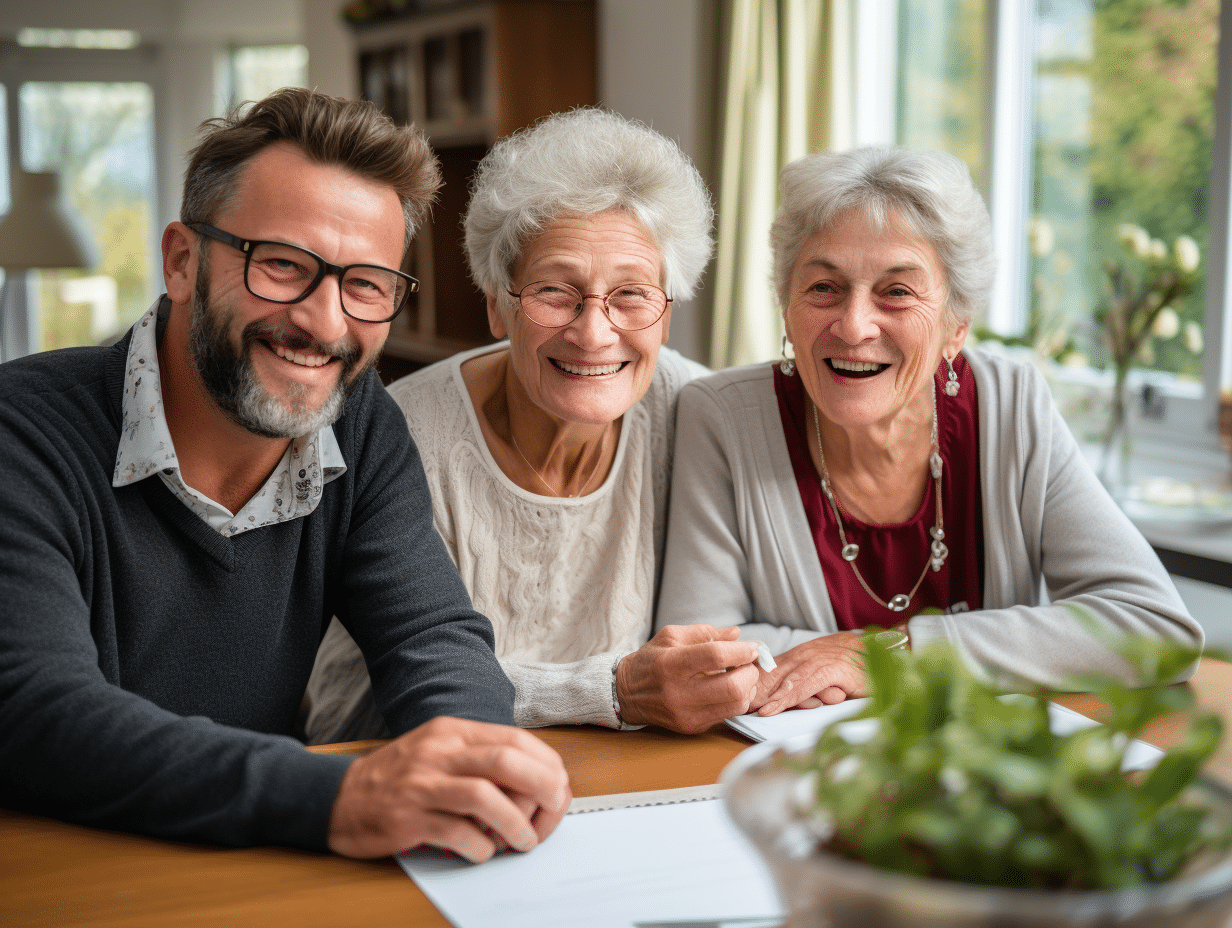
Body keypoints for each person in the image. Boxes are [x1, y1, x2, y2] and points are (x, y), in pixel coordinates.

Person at [0, 87, 569, 862]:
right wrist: (342, 797)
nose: (325, 323)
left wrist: (476, 766)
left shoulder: (359, 422)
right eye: (281, 265)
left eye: (365, 283)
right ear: (181, 260)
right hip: (68, 870)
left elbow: (431, 637)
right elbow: (35, 710)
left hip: (262, 861)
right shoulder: (21, 431)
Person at [655, 146, 1203, 718]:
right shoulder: (720, 418)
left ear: (955, 326)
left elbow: (1156, 629)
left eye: (896, 291)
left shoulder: (1009, 403)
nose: (854, 325)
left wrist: (889, 654)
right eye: (824, 287)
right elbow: (700, 659)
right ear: (786, 307)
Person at [303, 108, 765, 739]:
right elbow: (377, 696)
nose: (594, 332)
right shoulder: (402, 435)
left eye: (631, 294)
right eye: (556, 291)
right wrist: (613, 692)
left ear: (667, 309)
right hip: (409, 765)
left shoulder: (690, 409)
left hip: (622, 773)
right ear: (497, 304)